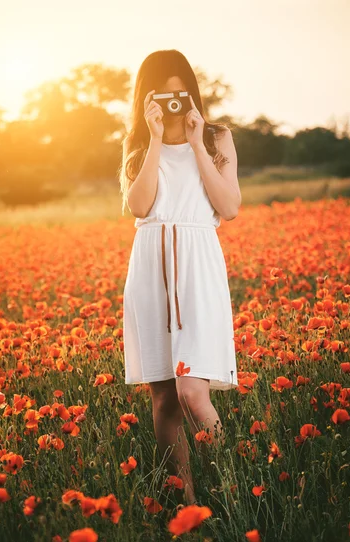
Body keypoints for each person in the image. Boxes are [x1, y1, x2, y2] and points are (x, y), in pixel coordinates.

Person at [118, 49, 241, 506]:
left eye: (179, 93)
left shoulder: (216, 137)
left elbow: (228, 208)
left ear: (191, 91)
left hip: (198, 264)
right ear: (146, 98)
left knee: (193, 390)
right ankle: (187, 502)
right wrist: (154, 139)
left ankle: (233, 487)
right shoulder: (136, 144)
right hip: (151, 267)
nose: (173, 103)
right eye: (162, 95)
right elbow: (140, 206)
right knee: (165, 397)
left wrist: (194, 144)